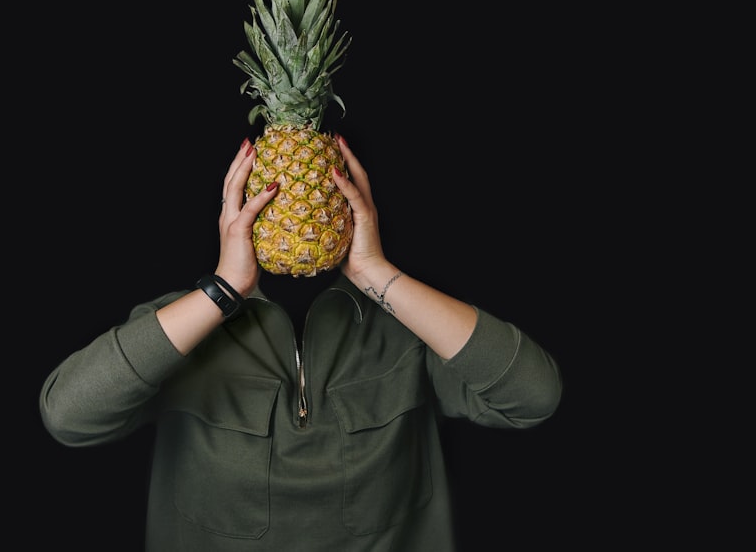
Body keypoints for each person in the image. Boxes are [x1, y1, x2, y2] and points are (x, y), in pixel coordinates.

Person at [39, 133, 563, 551]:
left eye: (310, 185)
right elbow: (67, 415)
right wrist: (222, 290)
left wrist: (376, 272)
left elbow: (535, 396)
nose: (295, 204)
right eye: (276, 187)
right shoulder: (181, 323)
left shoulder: (411, 327)